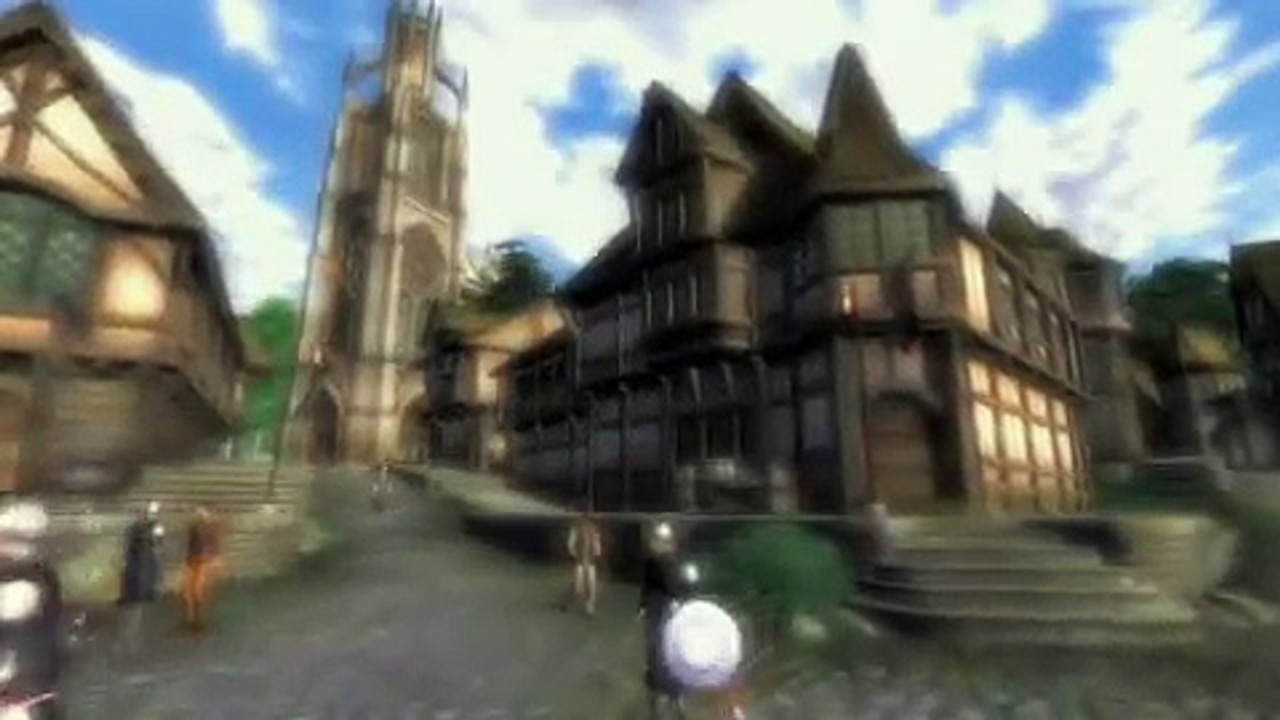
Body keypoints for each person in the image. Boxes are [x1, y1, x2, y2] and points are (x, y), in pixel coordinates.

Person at [639, 521, 684, 719]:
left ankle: (675, 697)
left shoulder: (674, 561)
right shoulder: (651, 561)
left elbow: (678, 584)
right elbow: (647, 584)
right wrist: (642, 606)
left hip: (669, 607)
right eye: (659, 539)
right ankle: (657, 697)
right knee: (654, 649)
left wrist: (677, 601)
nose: (661, 543)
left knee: (671, 648)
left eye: (664, 540)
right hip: (655, 606)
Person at [117, 501, 164, 654]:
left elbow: (157, 548)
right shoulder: (140, 530)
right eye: (150, 513)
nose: (152, 515)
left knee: (135, 607)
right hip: (139, 571)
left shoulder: (150, 529)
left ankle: (131, 639)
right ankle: (130, 640)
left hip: (141, 571)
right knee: (134, 607)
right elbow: (155, 549)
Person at [181, 506, 223, 633]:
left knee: (198, 590)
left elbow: (214, 544)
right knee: (190, 591)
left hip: (203, 562)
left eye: (204, 513)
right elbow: (192, 545)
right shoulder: (196, 528)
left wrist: (216, 559)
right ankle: (192, 617)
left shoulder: (209, 528)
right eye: (200, 513)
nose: (201, 515)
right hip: (196, 561)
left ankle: (197, 618)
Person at [566, 510, 603, 616]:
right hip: (580, 561)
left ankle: (589, 606)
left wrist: (597, 551)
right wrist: (575, 553)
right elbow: (571, 544)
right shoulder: (576, 528)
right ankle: (571, 598)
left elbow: (597, 543)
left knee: (591, 585)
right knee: (578, 586)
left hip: (590, 561)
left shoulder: (594, 528)